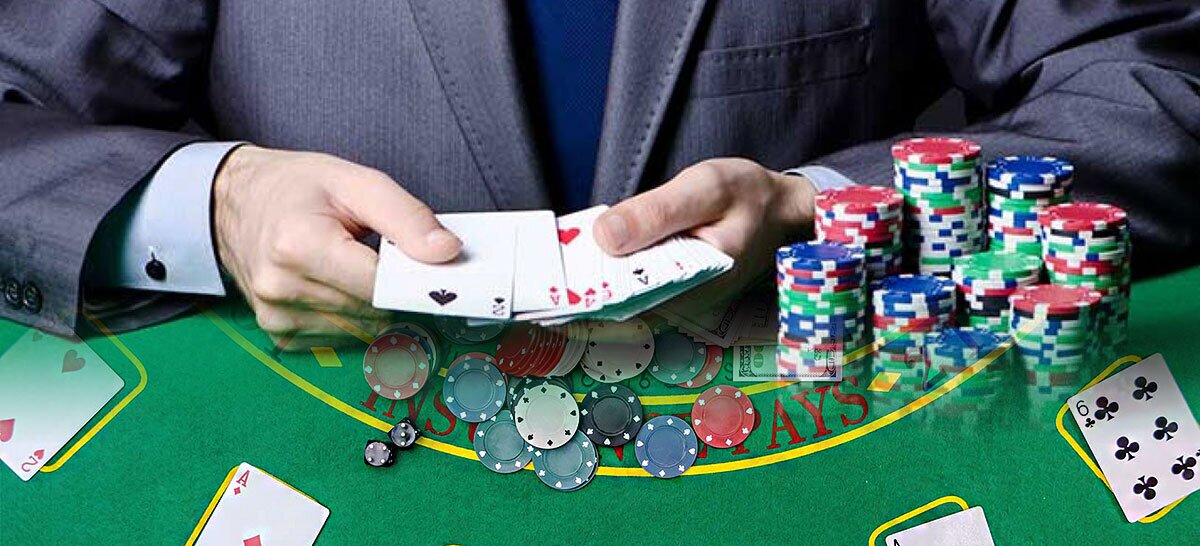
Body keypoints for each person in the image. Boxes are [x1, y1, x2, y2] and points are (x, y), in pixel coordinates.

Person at [1, 1, 1197, 349]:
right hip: (336, 467)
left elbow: (1153, 90)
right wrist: (216, 204)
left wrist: (826, 213)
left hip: (793, 482)